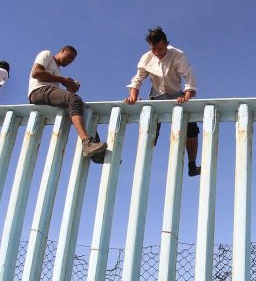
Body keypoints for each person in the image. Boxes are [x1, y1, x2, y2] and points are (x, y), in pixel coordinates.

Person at [124, 27, 202, 176]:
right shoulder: (146, 58)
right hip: (157, 95)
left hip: (176, 94)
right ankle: (142, 165)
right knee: (150, 129)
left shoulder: (178, 55)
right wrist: (133, 96)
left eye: (160, 48)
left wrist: (187, 95)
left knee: (191, 127)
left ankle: (192, 166)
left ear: (166, 43)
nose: (158, 53)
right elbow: (138, 78)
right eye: (154, 49)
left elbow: (189, 76)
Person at [27, 47, 107, 161]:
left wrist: (70, 89)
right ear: (62, 50)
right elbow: (36, 73)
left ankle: (97, 153)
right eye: (69, 56)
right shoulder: (47, 54)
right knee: (74, 100)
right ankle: (87, 143)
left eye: (72, 60)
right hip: (38, 91)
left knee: (83, 109)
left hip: (47, 93)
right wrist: (62, 80)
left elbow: (66, 99)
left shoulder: (58, 71)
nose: (69, 60)